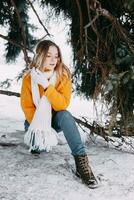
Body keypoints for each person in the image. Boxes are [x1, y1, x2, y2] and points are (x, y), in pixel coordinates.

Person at [20, 40, 98, 188]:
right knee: (38, 149)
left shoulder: (63, 75)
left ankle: (81, 163)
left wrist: (46, 85)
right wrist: (44, 132)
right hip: (34, 124)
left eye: (56, 56)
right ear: (39, 56)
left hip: (55, 120)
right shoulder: (29, 78)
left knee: (65, 114)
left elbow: (61, 104)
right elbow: (27, 107)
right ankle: (38, 142)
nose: (53, 60)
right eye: (48, 55)